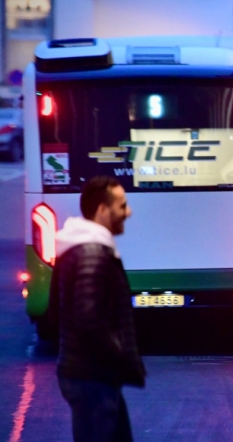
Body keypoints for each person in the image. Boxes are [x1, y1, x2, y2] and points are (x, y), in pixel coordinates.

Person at [47, 176, 145, 442]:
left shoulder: (82, 249)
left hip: (92, 375)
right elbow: (88, 318)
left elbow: (55, 313)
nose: (129, 212)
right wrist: (120, 355)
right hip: (92, 377)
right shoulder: (92, 253)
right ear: (103, 210)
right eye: (122, 206)